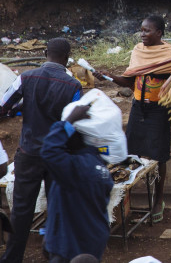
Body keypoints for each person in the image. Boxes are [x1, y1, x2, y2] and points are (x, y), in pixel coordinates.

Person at [92, 16, 171, 222]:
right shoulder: (138, 52)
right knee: (130, 153)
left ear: (159, 33)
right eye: (141, 30)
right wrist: (109, 76)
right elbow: (130, 82)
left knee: (158, 156)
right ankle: (127, 198)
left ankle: (159, 198)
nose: (142, 34)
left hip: (159, 110)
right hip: (138, 108)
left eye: (147, 31)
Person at [0, 38, 81, 263]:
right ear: (67, 58)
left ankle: (12, 257)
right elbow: (75, 125)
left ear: (45, 53)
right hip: (58, 155)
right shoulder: (73, 85)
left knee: (22, 210)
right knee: (56, 207)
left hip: (29, 153)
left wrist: (21, 110)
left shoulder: (25, 77)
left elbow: (3, 106)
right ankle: (54, 255)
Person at [39, 105, 113, 263]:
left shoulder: (76, 168)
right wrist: (50, 233)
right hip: (87, 238)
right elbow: (64, 204)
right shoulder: (95, 163)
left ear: (77, 138)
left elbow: (49, 151)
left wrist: (68, 121)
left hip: (71, 244)